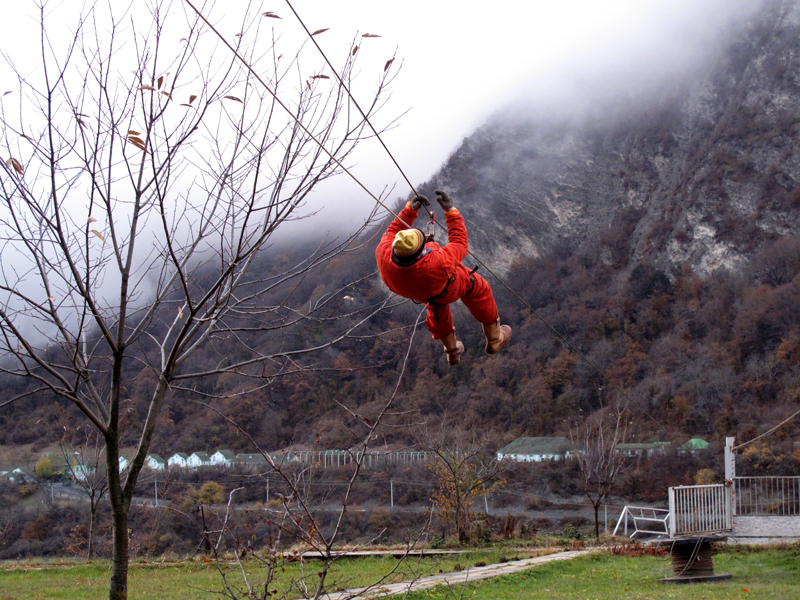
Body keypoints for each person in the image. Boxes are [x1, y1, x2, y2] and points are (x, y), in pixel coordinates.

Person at [376, 189, 512, 366]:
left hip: (420, 293)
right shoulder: (436, 264)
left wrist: (409, 210)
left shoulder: (383, 252)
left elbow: (394, 229)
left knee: (437, 310)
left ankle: (452, 351)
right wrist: (451, 211)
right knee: (477, 287)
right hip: (449, 287)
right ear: (418, 254)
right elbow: (460, 244)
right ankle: (495, 339)